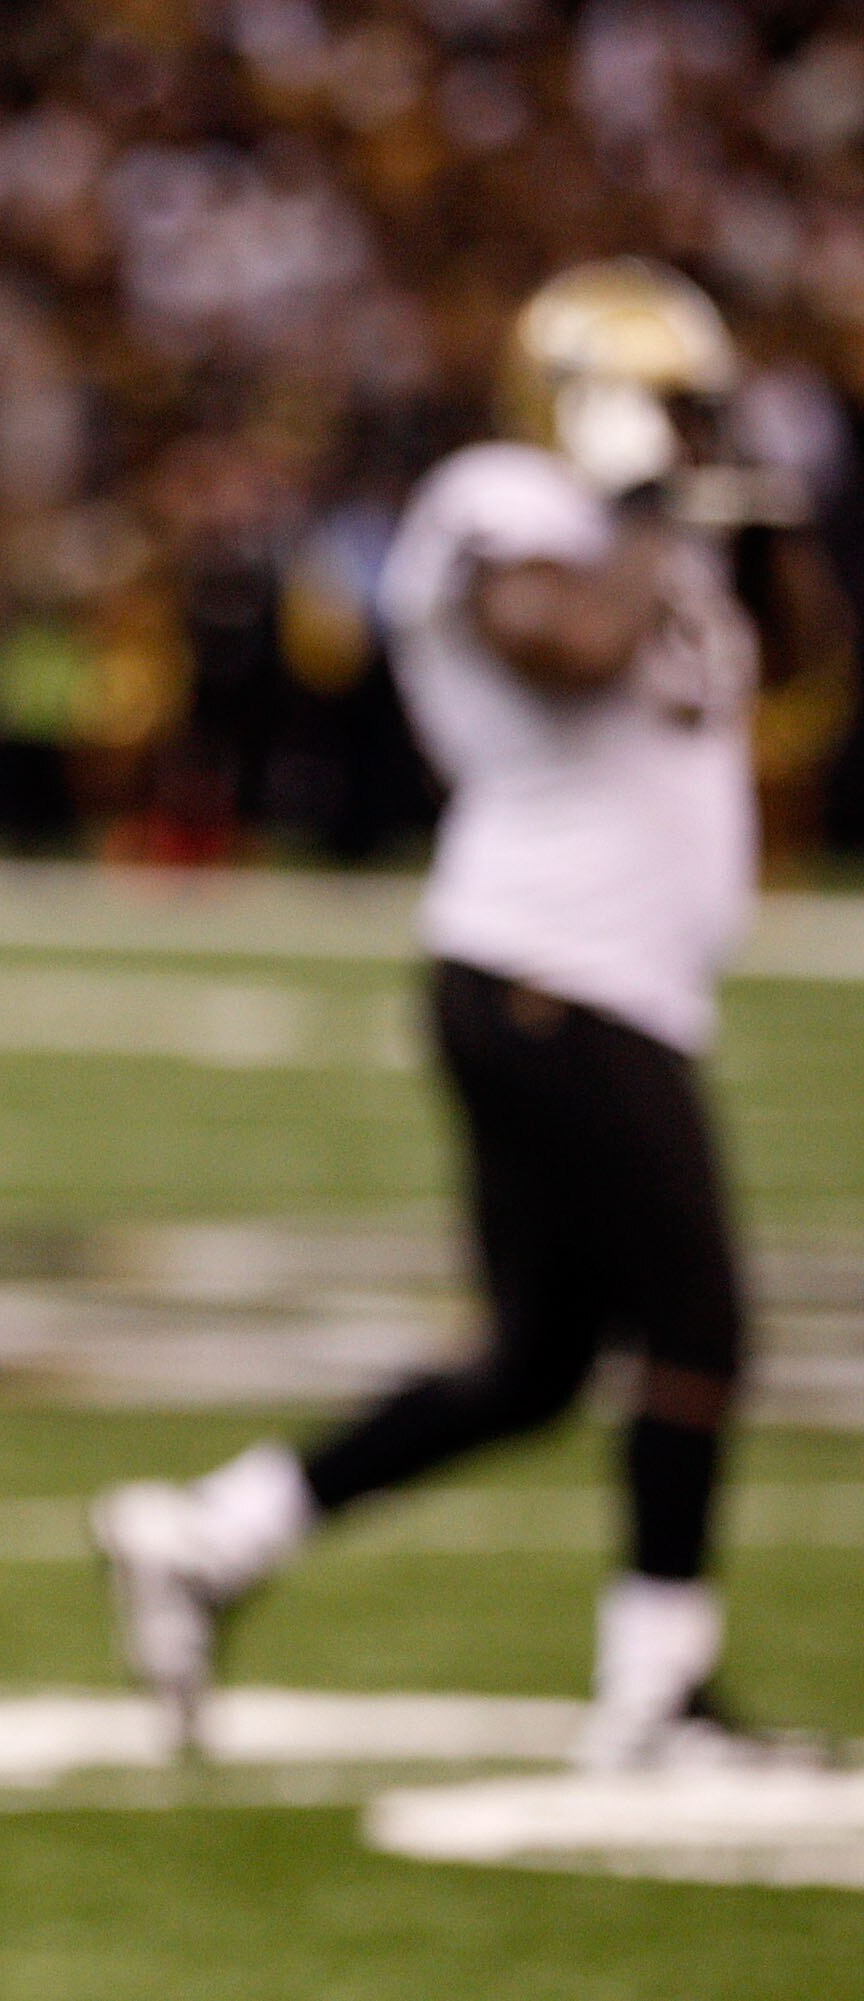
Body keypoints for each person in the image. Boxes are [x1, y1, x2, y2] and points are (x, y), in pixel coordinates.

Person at [92, 260, 794, 1771]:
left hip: (603, 981)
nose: (698, 433)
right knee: (702, 1318)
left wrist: (740, 518)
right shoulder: (504, 499)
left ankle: (213, 1533)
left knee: (537, 1363)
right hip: (552, 969)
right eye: (671, 406)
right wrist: (648, 507)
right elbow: (566, 644)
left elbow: (794, 656)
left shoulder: (654, 530)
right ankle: (658, 1690)